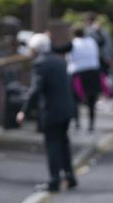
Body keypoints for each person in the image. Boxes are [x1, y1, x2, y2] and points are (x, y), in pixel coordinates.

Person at [17, 33, 77, 192]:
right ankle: (70, 176)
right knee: (63, 143)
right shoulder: (59, 60)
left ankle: (54, 180)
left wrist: (24, 110)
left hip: (52, 110)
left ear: (36, 49)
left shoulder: (40, 64)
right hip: (66, 109)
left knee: (52, 145)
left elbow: (36, 89)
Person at [65, 27, 103, 132]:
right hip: (93, 72)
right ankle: (91, 125)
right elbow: (102, 42)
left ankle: (77, 123)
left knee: (75, 99)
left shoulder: (73, 43)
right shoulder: (92, 42)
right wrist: (98, 30)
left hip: (77, 74)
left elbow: (61, 50)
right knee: (92, 100)